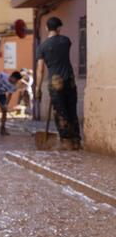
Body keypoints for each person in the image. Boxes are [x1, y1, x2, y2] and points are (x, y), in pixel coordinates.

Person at [35, 16, 81, 149]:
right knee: (72, 110)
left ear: (46, 28)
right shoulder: (66, 41)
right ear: (59, 28)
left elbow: (40, 70)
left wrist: (38, 88)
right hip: (70, 81)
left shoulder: (42, 47)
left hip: (55, 83)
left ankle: (66, 142)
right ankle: (76, 140)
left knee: (60, 112)